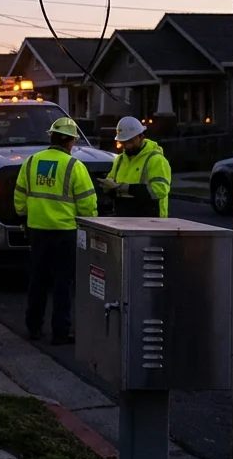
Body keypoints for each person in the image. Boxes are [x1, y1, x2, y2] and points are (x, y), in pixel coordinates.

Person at [14, 116, 98, 344]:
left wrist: (24, 218)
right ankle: (60, 332)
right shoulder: (75, 166)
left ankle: (33, 328)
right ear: (70, 141)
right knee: (63, 283)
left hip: (38, 231)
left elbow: (20, 194)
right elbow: (87, 203)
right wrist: (90, 225)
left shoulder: (31, 162)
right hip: (66, 233)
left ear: (51, 136)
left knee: (38, 281)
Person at [102, 116, 173, 217]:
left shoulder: (156, 160)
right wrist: (108, 187)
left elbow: (160, 190)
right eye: (124, 142)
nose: (127, 146)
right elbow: (110, 182)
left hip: (151, 221)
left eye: (130, 141)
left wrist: (128, 189)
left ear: (141, 137)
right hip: (123, 217)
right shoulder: (119, 160)